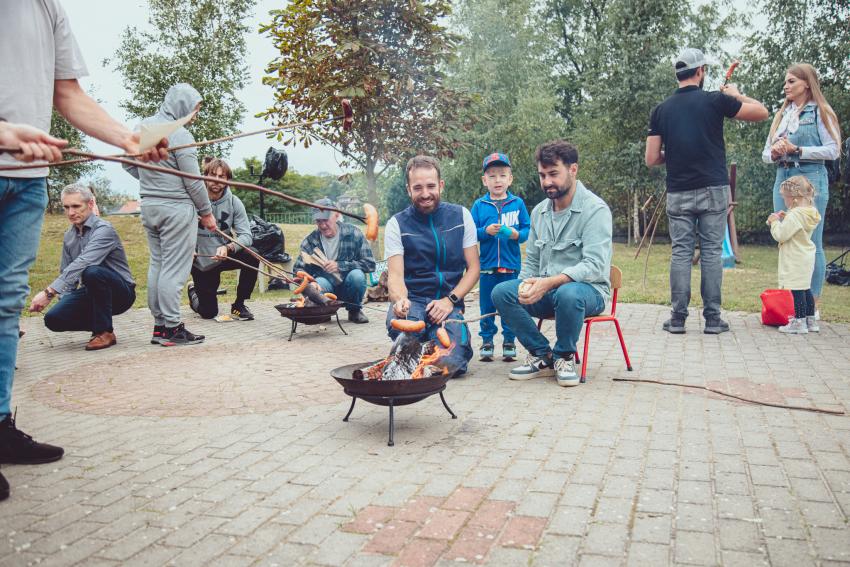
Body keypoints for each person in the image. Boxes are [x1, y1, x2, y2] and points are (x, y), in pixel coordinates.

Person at [0, 0, 167, 502]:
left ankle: (0, 426)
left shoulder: (47, 6)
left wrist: (128, 139)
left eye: (78, 207)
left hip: (27, 180)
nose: (73, 213)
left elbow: (67, 92)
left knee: (6, 304)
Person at [646, 47, 768, 335]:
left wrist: (675, 154)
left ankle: (678, 319)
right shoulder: (716, 100)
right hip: (714, 188)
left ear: (677, 74)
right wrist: (736, 95)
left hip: (678, 191)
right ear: (700, 72)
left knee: (681, 252)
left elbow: (651, 158)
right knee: (712, 251)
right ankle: (713, 319)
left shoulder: (661, 110)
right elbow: (762, 112)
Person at [492, 140, 612, 387]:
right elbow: (532, 261)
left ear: (573, 170)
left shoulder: (595, 210)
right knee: (502, 292)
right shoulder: (539, 212)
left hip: (589, 292)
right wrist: (524, 286)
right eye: (542, 175)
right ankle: (542, 354)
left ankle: (565, 356)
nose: (547, 182)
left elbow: (595, 265)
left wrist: (549, 283)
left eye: (553, 174)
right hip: (548, 291)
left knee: (568, 293)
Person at [124, 83, 217, 346]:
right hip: (176, 209)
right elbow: (193, 181)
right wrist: (206, 212)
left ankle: (160, 327)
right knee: (174, 270)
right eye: (194, 109)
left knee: (158, 264)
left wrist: (150, 179)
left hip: (149, 206)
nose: (195, 115)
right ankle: (173, 327)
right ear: (182, 106)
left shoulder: (143, 127)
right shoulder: (180, 134)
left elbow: (126, 163)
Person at [385, 156, 480, 377]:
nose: (425, 194)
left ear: (441, 185)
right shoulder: (396, 224)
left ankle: (427, 345)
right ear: (408, 189)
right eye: (418, 188)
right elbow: (395, 275)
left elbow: (474, 268)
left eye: (430, 186)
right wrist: (400, 300)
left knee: (454, 362)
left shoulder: (462, 216)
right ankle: (418, 344)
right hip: (413, 301)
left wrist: (450, 300)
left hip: (448, 302)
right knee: (404, 333)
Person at [762, 64, 841, 316]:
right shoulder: (782, 115)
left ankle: (812, 306)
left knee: (811, 241)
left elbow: (833, 149)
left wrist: (797, 149)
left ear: (807, 83)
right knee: (786, 238)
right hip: (783, 176)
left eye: (792, 81)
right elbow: (765, 153)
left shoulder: (821, 111)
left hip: (810, 176)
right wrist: (775, 153)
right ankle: (792, 307)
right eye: (786, 81)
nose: (786, 86)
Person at [27, 184, 136, 349]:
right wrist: (66, 303)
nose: (71, 212)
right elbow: (66, 270)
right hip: (91, 292)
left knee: (92, 272)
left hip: (121, 293)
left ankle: (104, 332)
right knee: (53, 319)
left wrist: (49, 293)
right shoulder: (69, 235)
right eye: (66, 207)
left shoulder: (104, 230)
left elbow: (84, 262)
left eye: (76, 206)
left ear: (90, 204)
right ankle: (101, 324)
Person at [470, 152, 530, 362]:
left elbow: (526, 231)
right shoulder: (479, 205)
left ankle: (509, 342)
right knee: (486, 307)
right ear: (484, 180)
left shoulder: (517, 203)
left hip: (510, 267)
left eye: (503, 175)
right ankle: (487, 341)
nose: (498, 180)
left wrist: (515, 234)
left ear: (510, 179)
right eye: (492, 176)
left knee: (510, 306)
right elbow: (471, 234)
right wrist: (485, 231)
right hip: (487, 267)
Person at [188, 158, 258, 321]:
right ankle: (193, 292)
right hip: (199, 260)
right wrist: (187, 248)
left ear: (228, 180)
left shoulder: (234, 202)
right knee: (208, 313)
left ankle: (239, 305)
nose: (216, 180)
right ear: (205, 176)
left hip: (223, 256)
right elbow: (177, 229)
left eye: (222, 177)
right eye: (213, 175)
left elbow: (246, 236)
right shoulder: (191, 200)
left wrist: (229, 247)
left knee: (252, 254)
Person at [292, 198, 376, 323]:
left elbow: (370, 264)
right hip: (325, 287)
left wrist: (340, 266)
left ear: (336, 215)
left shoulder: (353, 233)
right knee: (319, 282)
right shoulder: (310, 241)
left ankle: (354, 311)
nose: (322, 225)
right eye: (318, 221)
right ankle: (324, 311)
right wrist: (310, 283)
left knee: (357, 276)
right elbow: (297, 270)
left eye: (325, 220)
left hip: (349, 285)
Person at [767, 176, 821, 334]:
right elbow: (797, 228)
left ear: (794, 198)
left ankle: (799, 322)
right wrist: (787, 217)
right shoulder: (809, 212)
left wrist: (774, 222)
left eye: (784, 197)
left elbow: (781, 235)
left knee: (797, 290)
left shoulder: (795, 215)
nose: (783, 200)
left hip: (794, 258)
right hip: (806, 256)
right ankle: (810, 320)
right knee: (805, 288)